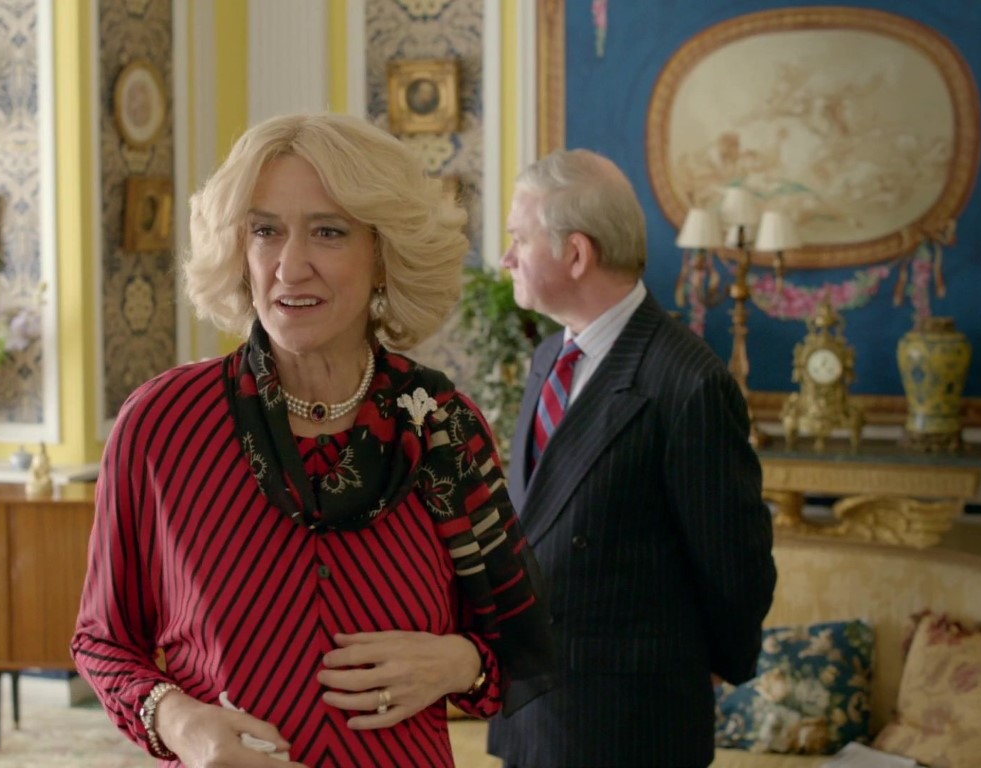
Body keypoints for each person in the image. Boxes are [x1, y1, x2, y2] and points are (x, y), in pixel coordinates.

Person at [72, 113, 554, 768]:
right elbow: (102, 642)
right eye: (264, 231)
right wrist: (181, 723)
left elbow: (518, 643)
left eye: (328, 232)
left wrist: (459, 661)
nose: (289, 266)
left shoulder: (442, 425)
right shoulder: (160, 426)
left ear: (382, 255)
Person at [486, 148, 777, 768]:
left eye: (518, 238)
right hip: (534, 709)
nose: (506, 258)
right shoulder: (548, 357)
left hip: (630, 723)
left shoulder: (689, 381)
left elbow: (737, 565)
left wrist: (700, 668)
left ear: (576, 253)